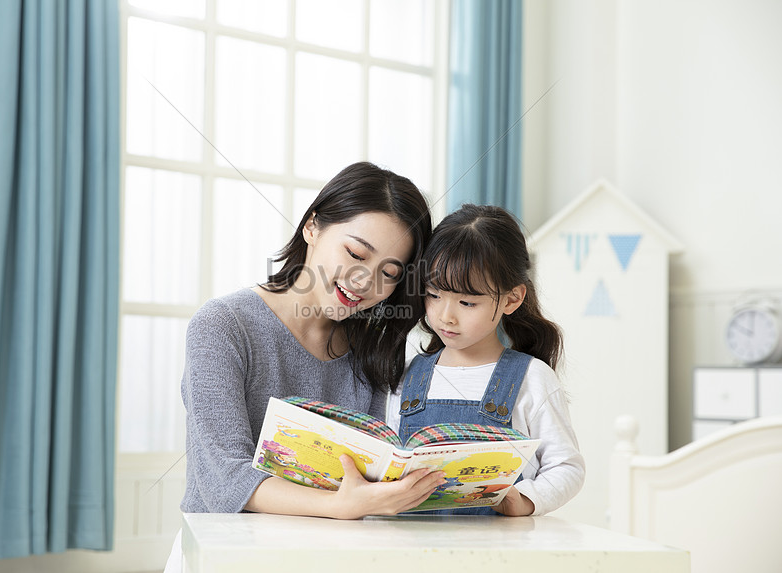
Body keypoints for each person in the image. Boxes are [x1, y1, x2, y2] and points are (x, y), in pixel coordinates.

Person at [165, 162, 445, 572]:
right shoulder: (224, 325)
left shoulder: (371, 348)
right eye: (354, 253)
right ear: (312, 226)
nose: (364, 280)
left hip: (326, 555)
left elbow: (364, 473)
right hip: (224, 554)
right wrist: (340, 505)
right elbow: (225, 481)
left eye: (388, 273)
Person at [387, 204, 585, 516]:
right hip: (413, 545)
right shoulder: (409, 375)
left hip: (500, 552)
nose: (445, 316)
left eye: (467, 302)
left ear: (512, 299)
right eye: (434, 295)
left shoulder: (532, 378)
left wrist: (523, 499)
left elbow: (567, 467)